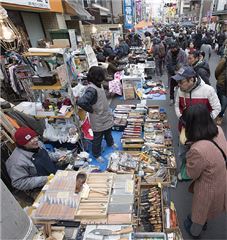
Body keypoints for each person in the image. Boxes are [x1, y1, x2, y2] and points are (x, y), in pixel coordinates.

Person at [182, 104, 227, 238]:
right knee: (207, 210)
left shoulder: (198, 149)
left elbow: (191, 173)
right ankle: (201, 224)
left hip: (207, 186)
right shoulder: (218, 130)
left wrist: (187, 156)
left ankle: (194, 232)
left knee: (199, 213)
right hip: (221, 177)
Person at [173, 66, 221, 181]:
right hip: (184, 128)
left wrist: (204, 121)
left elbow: (217, 108)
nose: (179, 85)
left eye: (181, 81)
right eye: (178, 81)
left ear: (191, 79)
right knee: (183, 152)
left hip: (201, 131)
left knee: (198, 153)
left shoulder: (208, 90)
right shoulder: (180, 90)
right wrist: (181, 118)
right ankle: (185, 171)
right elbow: (177, 106)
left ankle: (196, 173)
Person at [76, 66, 115, 162]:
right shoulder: (91, 89)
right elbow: (81, 102)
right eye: (102, 75)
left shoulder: (98, 84)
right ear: (98, 77)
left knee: (108, 131)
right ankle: (96, 154)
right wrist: (91, 110)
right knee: (98, 138)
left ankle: (110, 143)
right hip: (97, 118)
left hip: (105, 114)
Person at [6, 127, 58, 192]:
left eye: (35, 136)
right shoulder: (16, 162)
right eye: (30, 139)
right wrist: (45, 179)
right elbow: (18, 183)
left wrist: (59, 156)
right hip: (39, 188)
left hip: (54, 175)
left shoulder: (38, 144)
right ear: (22, 144)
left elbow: (48, 155)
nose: (35, 140)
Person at [165, 40, 187, 105]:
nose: (172, 49)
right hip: (171, 72)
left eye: (174, 48)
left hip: (180, 73)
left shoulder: (182, 53)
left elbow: (185, 63)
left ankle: (181, 99)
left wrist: (179, 71)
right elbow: (167, 62)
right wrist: (171, 69)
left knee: (182, 86)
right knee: (172, 86)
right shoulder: (169, 52)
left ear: (177, 47)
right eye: (171, 48)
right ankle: (171, 98)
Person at [215, 43, 227, 125]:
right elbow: (217, 71)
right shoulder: (224, 60)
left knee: (224, 102)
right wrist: (219, 79)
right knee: (221, 102)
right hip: (222, 84)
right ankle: (219, 115)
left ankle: (220, 114)